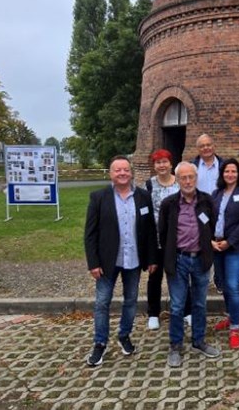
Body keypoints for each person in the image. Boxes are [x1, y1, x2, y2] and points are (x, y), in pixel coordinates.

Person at [84, 155, 158, 367]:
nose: (122, 173)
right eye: (118, 170)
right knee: (102, 303)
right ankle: (100, 343)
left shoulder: (143, 197)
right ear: (111, 173)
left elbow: (150, 231)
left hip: (134, 260)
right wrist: (93, 262)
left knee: (131, 301)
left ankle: (124, 335)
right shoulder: (99, 197)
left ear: (131, 172)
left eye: (126, 169)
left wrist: (152, 258)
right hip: (107, 262)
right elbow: (90, 234)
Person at [159, 161, 221, 367]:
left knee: (200, 303)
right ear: (177, 180)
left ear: (196, 178)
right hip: (178, 260)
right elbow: (163, 233)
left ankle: (199, 340)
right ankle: (175, 345)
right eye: (183, 177)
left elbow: (211, 226)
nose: (187, 181)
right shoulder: (169, 204)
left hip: (201, 259)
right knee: (177, 306)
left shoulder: (207, 201)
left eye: (191, 177)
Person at [144, 149, 191, 330]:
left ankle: (186, 311)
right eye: (158, 162)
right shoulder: (148, 185)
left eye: (164, 162)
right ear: (154, 166)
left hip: (178, 240)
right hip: (156, 241)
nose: (161, 165)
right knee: (155, 278)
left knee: (181, 277)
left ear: (171, 164)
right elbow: (145, 216)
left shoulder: (180, 184)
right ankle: (153, 313)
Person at [211, 158, 239, 349]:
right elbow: (209, 218)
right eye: (227, 171)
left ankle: (235, 327)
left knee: (233, 285)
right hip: (216, 245)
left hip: (235, 246)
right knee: (222, 284)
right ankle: (230, 316)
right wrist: (211, 240)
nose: (230, 174)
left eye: (234, 171)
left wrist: (229, 242)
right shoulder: (216, 193)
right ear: (222, 174)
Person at [192, 133, 224, 293]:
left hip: (221, 210)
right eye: (202, 146)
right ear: (198, 149)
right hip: (201, 210)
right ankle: (201, 279)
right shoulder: (193, 166)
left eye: (208, 144)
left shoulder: (224, 165)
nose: (206, 148)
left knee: (219, 244)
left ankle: (219, 280)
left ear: (214, 146)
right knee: (203, 243)